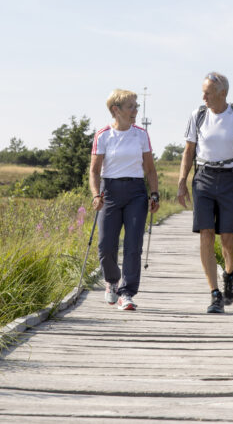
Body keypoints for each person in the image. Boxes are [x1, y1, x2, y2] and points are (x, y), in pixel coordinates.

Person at [176, 72, 233, 313]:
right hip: (204, 177)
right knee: (206, 234)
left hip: (231, 178)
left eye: (208, 93)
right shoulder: (198, 115)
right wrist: (182, 181)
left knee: (228, 239)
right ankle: (215, 294)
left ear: (223, 94)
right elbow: (188, 151)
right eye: (203, 92)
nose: (204, 97)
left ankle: (229, 274)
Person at [90, 89, 160, 311]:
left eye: (136, 106)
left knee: (133, 245)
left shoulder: (140, 134)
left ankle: (127, 293)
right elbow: (94, 171)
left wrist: (154, 194)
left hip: (136, 192)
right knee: (105, 245)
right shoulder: (103, 135)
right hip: (109, 191)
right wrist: (95, 194)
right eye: (131, 107)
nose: (135, 111)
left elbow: (150, 170)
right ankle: (112, 281)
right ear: (115, 110)